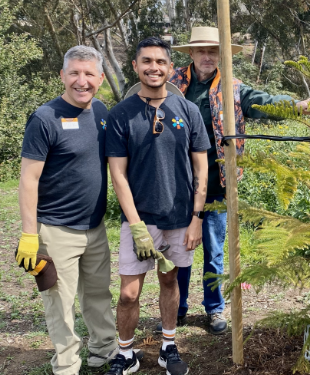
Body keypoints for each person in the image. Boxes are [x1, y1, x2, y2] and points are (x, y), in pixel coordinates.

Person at [167, 26, 310, 334]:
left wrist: (298, 105)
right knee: (177, 252)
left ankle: (213, 308)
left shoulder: (232, 88)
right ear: (191, 54)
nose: (208, 56)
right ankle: (178, 307)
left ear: (221, 56)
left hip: (218, 183)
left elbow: (264, 102)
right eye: (202, 51)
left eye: (213, 51)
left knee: (214, 250)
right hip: (177, 184)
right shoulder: (172, 86)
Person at [105, 37, 210, 375]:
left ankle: (168, 347)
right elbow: (118, 175)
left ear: (170, 67)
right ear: (135, 66)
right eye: (146, 61)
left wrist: (196, 218)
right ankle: (125, 353)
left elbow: (201, 168)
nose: (154, 67)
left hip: (180, 218)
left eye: (161, 62)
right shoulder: (121, 114)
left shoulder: (188, 111)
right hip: (140, 218)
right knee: (128, 293)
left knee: (170, 281)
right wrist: (136, 226)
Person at [16, 45, 117, 374]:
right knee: (60, 306)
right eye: (74, 72)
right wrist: (30, 235)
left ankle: (104, 352)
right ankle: (67, 366)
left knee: (99, 296)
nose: (81, 81)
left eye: (89, 74)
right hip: (56, 231)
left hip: (95, 229)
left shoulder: (101, 112)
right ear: (62, 75)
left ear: (100, 78)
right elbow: (29, 180)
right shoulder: (45, 118)